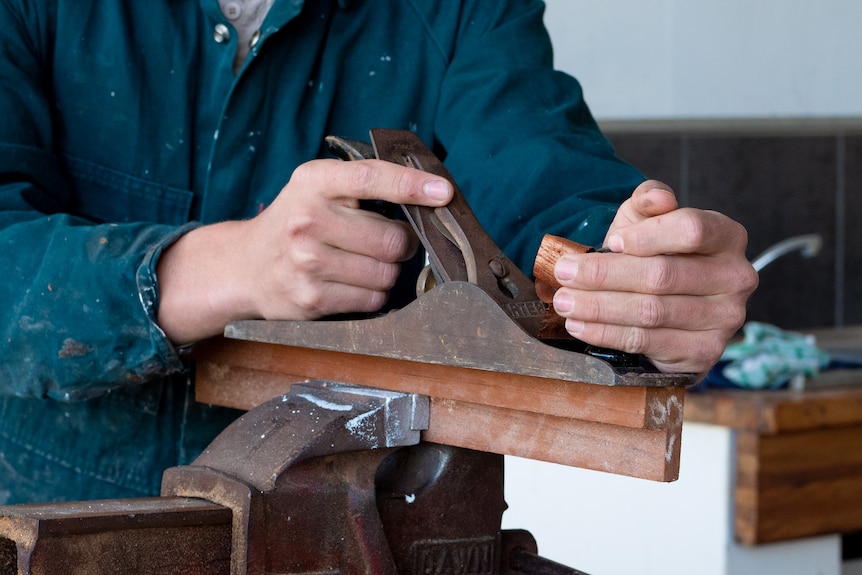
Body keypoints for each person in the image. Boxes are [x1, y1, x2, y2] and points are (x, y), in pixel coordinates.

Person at [0, 0, 757, 504]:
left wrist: (628, 266)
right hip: (50, 512)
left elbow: (540, 168)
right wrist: (232, 266)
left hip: (354, 518)